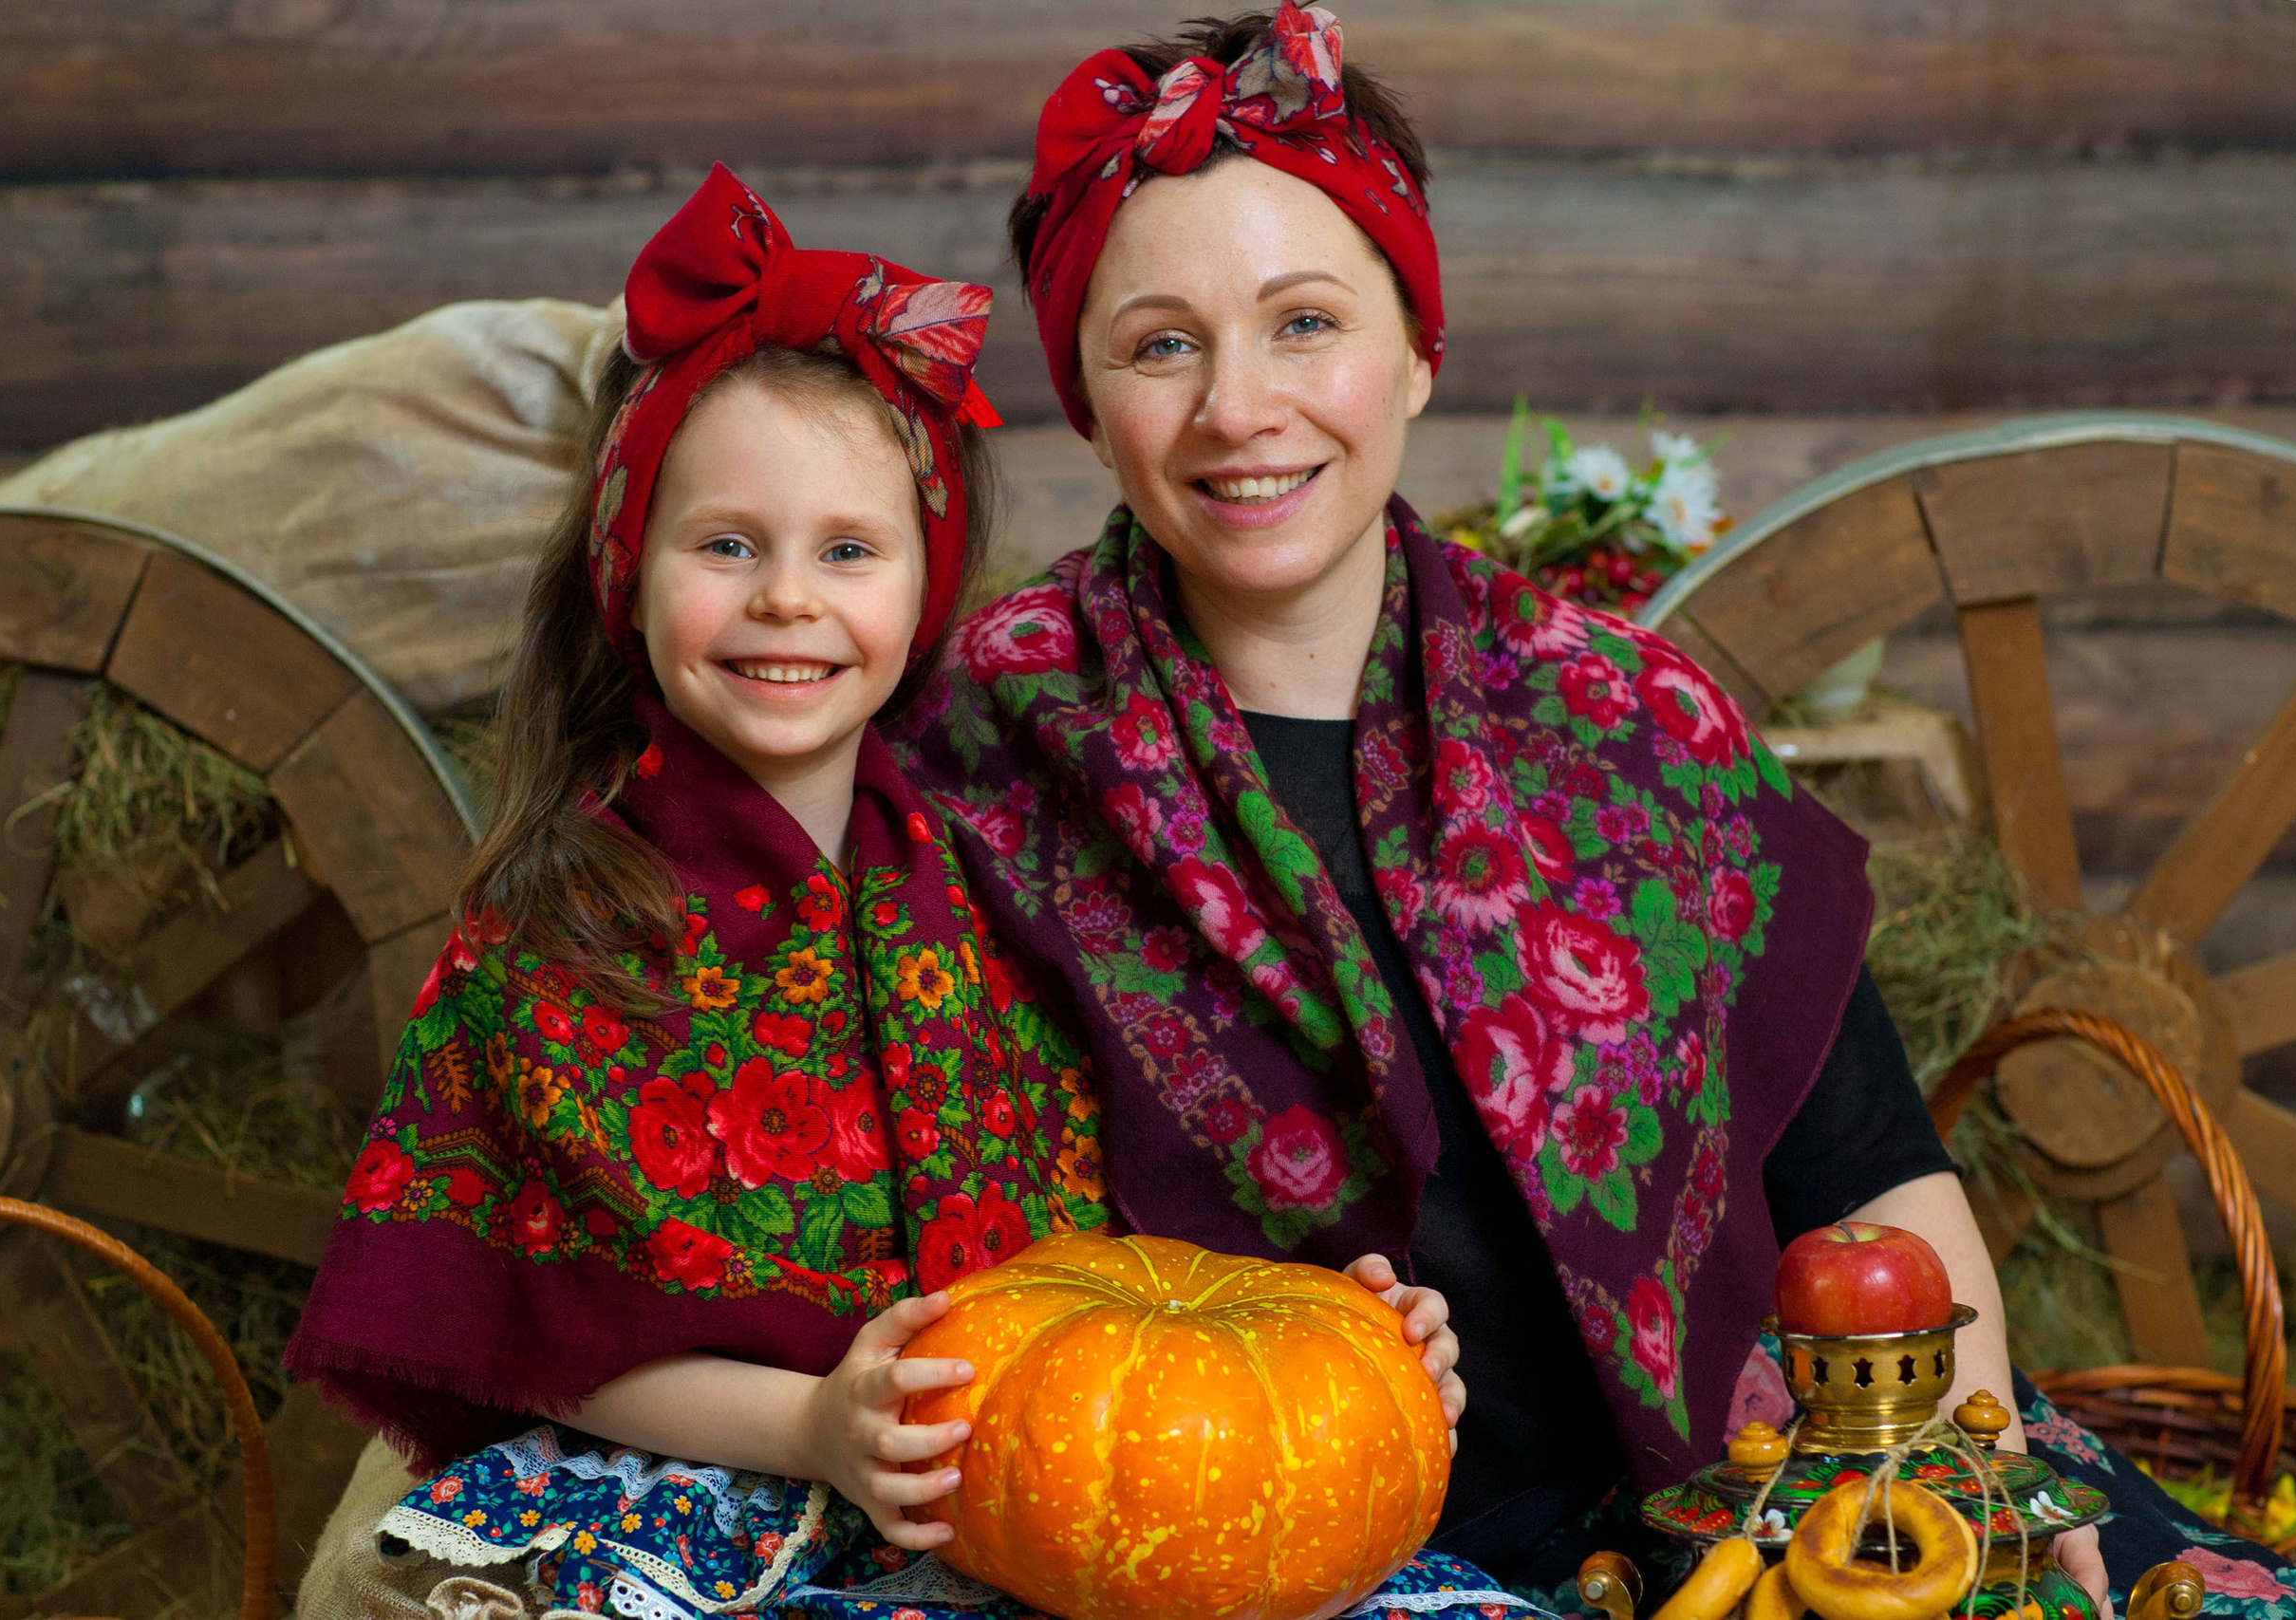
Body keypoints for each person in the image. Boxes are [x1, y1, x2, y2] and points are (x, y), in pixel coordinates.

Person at [889, 8, 2296, 1618]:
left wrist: (1961, 1482)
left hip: (1777, 1472)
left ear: (1420, 348)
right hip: (1295, 1553)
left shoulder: (1622, 721)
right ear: (1085, 403)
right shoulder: (983, 749)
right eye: (1161, 344)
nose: (1241, 406)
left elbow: (1874, 1176)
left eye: (1306, 323)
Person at [285, 162, 1507, 1620]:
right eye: (726, 546)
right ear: (629, 567)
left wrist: (1335, 1344)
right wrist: (811, 1427)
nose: (788, 599)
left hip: (1013, 1488)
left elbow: (1134, 1227)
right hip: (708, 1499)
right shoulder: (566, 930)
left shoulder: (990, 862)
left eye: (848, 552)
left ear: (926, 590)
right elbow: (543, 1333)